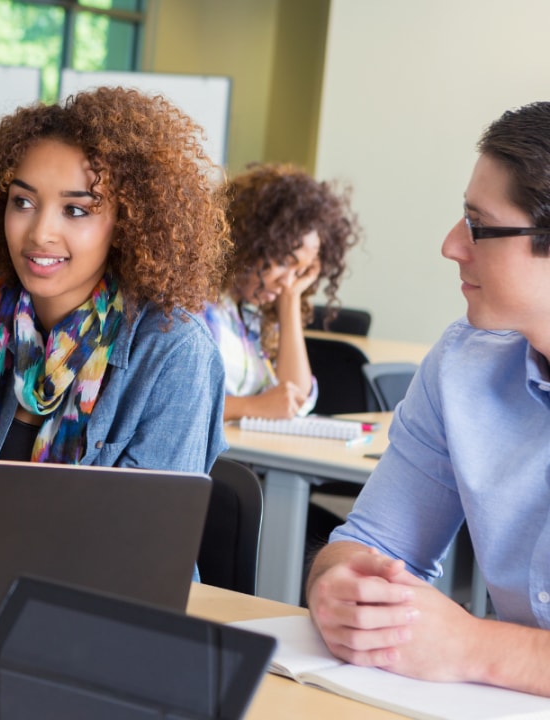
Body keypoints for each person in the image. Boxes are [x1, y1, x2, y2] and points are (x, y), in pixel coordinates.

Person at [306, 100, 550, 696]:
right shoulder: (463, 364)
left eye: (479, 226)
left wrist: (475, 647)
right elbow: (373, 545)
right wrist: (340, 590)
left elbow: (469, 647)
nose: (451, 246)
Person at [0, 87, 229, 472]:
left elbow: (151, 528)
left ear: (126, 224)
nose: (40, 233)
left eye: (75, 209)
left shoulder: (172, 350)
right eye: (23, 202)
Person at [202, 164, 360, 421]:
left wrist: (291, 299)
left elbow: (295, 399)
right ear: (250, 241)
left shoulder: (252, 315)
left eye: (301, 271)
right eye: (285, 262)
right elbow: (174, 404)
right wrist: (251, 407)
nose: (286, 281)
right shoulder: (195, 306)